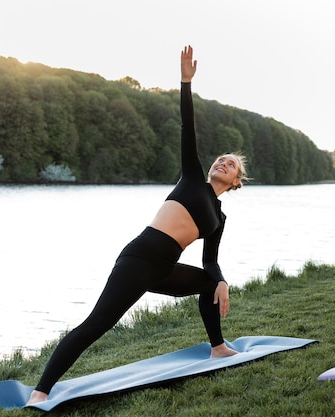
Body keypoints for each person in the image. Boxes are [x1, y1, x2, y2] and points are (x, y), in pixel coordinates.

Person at [27, 45, 248, 405]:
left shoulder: (219, 217)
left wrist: (220, 280)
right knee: (96, 326)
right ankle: (40, 391)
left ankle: (219, 347)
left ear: (237, 182)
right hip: (140, 258)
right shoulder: (192, 178)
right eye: (221, 159)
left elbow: (210, 259)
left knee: (209, 282)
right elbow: (187, 125)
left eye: (232, 164)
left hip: (163, 268)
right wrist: (185, 83)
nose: (224, 163)